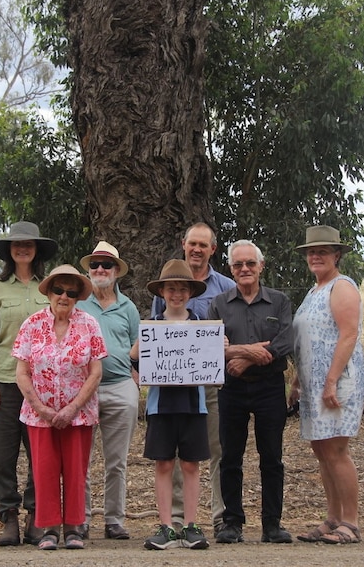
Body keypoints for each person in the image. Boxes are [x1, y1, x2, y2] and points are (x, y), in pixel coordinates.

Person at [13, 265, 107, 551]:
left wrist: (73, 408)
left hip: (79, 414)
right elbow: (21, 372)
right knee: (45, 471)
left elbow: (95, 372)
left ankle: (74, 529)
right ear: (49, 292)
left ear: (78, 296)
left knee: (76, 471)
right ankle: (50, 530)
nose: (64, 296)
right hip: (38, 414)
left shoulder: (89, 324)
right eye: (58, 290)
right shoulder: (31, 324)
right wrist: (41, 407)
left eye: (71, 291)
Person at [150, 223, 235, 535]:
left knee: (211, 450)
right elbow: (153, 336)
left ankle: (215, 516)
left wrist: (225, 347)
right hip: (168, 388)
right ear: (183, 244)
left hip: (206, 386)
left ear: (212, 249)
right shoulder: (167, 288)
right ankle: (172, 520)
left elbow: (228, 332)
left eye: (204, 244)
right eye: (192, 243)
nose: (197, 249)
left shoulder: (225, 286)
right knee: (170, 458)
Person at [208, 240, 294, 545]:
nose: (244, 269)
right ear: (230, 269)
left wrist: (240, 356)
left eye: (250, 264)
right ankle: (232, 522)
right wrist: (246, 352)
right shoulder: (218, 304)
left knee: (271, 457)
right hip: (231, 389)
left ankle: (272, 524)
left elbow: (286, 342)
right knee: (230, 456)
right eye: (238, 265)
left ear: (261, 266)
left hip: (270, 387)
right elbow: (210, 346)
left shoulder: (279, 301)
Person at [0, 221, 57, 546]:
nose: (22, 248)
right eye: (16, 244)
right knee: (2, 453)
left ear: (36, 249)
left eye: (28, 244)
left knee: (40, 453)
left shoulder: (50, 287)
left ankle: (35, 517)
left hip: (41, 386)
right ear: (9, 251)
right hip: (4, 380)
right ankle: (8, 516)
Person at [290, 226, 364, 545]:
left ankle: (351, 521)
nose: (316, 256)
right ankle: (333, 517)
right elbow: (305, 340)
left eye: (323, 251)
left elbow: (348, 335)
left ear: (337, 255)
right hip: (313, 384)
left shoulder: (342, 287)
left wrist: (332, 380)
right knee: (321, 450)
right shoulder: (314, 291)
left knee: (336, 449)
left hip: (338, 382)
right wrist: (296, 382)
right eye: (311, 251)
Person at [134, 259, 211, 551]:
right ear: (162, 292)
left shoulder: (202, 326)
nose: (176, 294)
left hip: (194, 405)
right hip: (160, 405)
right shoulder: (152, 326)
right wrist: (139, 371)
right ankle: (166, 526)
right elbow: (132, 357)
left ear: (190, 292)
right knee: (164, 463)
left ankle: (190, 525)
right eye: (170, 289)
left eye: (182, 289)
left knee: (191, 464)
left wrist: (221, 346)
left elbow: (213, 360)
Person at [76, 242, 140, 540]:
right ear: (88, 271)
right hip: (83, 390)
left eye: (106, 265)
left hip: (120, 387)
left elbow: (139, 349)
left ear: (116, 272)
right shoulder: (77, 303)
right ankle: (81, 518)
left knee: (117, 460)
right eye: (95, 265)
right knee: (81, 460)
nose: (100, 270)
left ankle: (114, 519)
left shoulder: (128, 308)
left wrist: (137, 378)